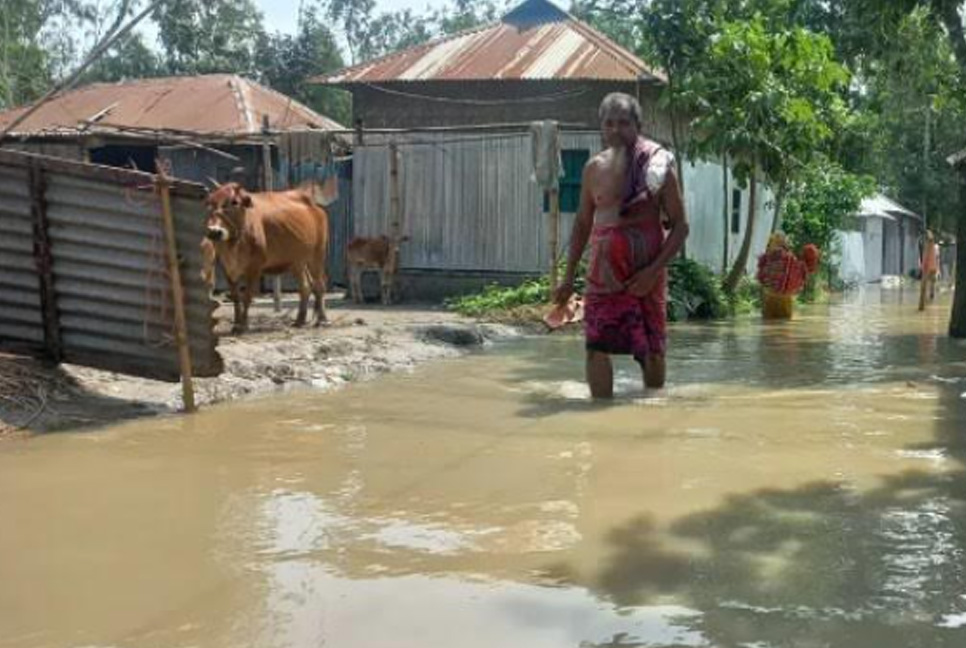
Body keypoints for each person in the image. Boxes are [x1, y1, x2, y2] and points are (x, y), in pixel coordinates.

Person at [552, 93, 689, 398]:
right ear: (601, 127)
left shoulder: (657, 166)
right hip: (602, 273)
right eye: (609, 123)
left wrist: (653, 272)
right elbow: (583, 224)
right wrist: (568, 276)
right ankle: (600, 416)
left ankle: (653, 410)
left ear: (638, 126)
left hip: (645, 272)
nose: (616, 130)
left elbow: (681, 227)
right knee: (596, 346)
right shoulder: (592, 169)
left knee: (652, 349)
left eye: (624, 123)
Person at [921, 229, 940, 302]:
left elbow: (930, 237)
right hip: (930, 265)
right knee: (930, 282)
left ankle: (927, 297)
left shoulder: (931, 244)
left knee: (927, 282)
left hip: (930, 266)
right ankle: (928, 297)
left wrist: (927, 231)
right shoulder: (927, 245)